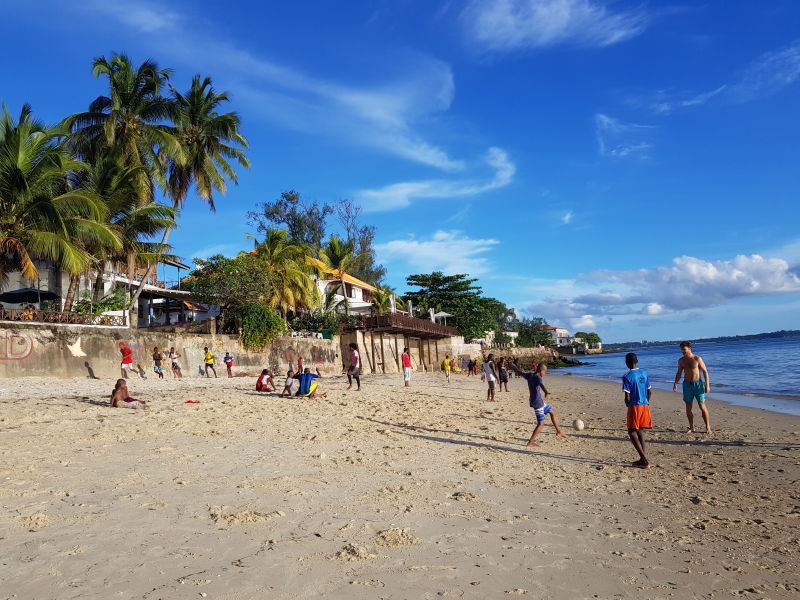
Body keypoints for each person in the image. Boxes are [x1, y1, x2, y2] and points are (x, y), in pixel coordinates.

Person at [511, 362, 566, 447]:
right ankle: (531, 442)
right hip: (537, 403)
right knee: (541, 423)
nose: (545, 373)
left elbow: (520, 373)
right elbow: (541, 385)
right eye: (545, 372)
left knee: (552, 412)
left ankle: (559, 431)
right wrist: (546, 392)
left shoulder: (530, 375)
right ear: (541, 370)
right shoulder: (538, 377)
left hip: (538, 401)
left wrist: (514, 367)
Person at [673, 341, 712, 435]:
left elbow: (705, 372)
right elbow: (679, 373)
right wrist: (676, 383)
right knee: (688, 407)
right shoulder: (681, 360)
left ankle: (708, 427)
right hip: (687, 385)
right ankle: (691, 427)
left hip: (698, 384)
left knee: (702, 406)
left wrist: (707, 385)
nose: (682, 351)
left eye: (684, 349)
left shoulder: (697, 358)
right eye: (681, 349)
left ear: (689, 348)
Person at [623, 352, 652, 469]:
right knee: (641, 431)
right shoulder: (644, 373)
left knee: (631, 431)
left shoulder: (627, 376)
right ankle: (642, 459)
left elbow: (627, 396)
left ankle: (644, 460)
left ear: (627, 363)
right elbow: (650, 391)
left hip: (635, 406)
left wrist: (627, 404)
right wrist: (646, 401)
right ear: (637, 361)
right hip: (645, 405)